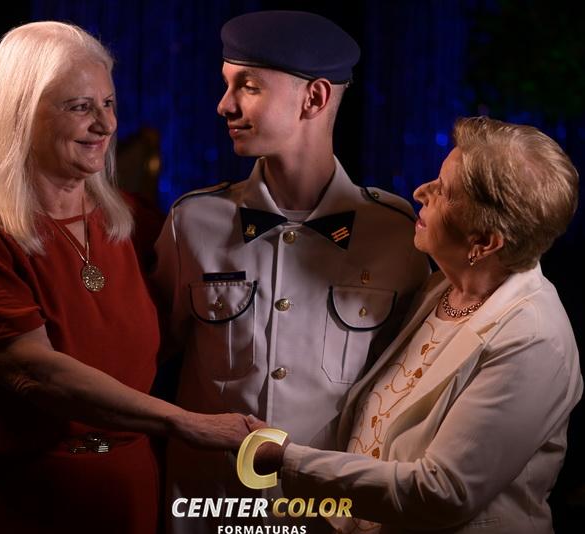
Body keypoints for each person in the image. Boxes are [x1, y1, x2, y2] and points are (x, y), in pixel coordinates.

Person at [0, 21, 249, 534]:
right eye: (81, 107)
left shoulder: (134, 219)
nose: (106, 124)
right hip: (18, 496)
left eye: (109, 103)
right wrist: (185, 422)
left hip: (128, 486)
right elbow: (37, 373)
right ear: (19, 115)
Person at [152, 10, 429, 533]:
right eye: (227, 84)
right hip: (210, 511)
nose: (225, 104)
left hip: (332, 516)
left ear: (314, 98)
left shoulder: (396, 234)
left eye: (248, 86)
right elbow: (145, 360)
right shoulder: (192, 223)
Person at [250, 116, 583, 534]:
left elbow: (442, 493)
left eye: (444, 191)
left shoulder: (534, 339)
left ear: (485, 242)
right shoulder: (438, 287)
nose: (421, 192)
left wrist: (284, 459)